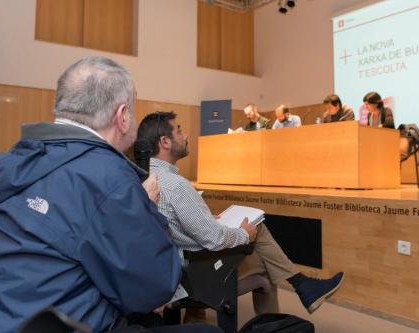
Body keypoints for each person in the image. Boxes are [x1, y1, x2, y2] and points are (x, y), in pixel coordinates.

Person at [0, 57, 219, 333]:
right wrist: (148, 208)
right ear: (122, 116)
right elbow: (156, 286)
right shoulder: (107, 177)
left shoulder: (13, 159)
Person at [137, 111, 345, 320]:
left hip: (172, 268)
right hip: (196, 272)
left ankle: (301, 286)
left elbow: (173, 226)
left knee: (264, 260)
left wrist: (205, 220)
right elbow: (214, 239)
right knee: (260, 239)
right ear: (165, 142)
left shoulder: (143, 179)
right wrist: (244, 234)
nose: (185, 136)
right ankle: (298, 288)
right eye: (179, 130)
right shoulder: (177, 185)